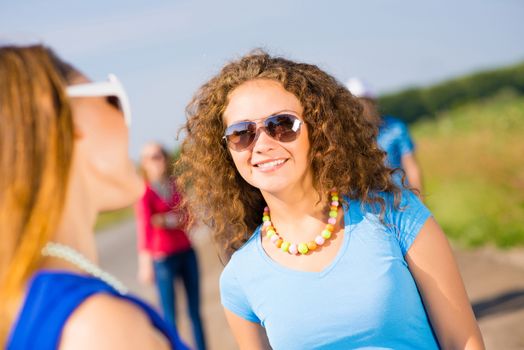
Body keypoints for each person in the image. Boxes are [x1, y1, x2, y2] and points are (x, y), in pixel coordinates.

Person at [175, 51, 485, 349]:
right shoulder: (239, 278)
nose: (263, 144)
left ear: (318, 128)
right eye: (242, 133)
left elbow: (463, 341)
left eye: (282, 125)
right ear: (227, 150)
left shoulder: (395, 215)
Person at [0, 44, 187, 349]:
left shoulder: (30, 298)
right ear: (62, 115)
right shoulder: (99, 329)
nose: (126, 121)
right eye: (112, 99)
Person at [136, 142, 207, 350]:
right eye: (150, 157)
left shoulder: (175, 184)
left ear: (165, 158)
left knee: (195, 312)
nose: (156, 161)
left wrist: (166, 220)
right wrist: (145, 263)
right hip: (163, 258)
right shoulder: (145, 192)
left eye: (158, 155)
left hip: (186, 251)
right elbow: (145, 227)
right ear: (144, 164)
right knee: (170, 316)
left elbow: (190, 217)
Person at [346, 77, 424, 194]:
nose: (360, 109)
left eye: (364, 103)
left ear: (373, 103)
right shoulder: (347, 135)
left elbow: (410, 165)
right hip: (366, 203)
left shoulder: (396, 128)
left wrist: (419, 198)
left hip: (401, 198)